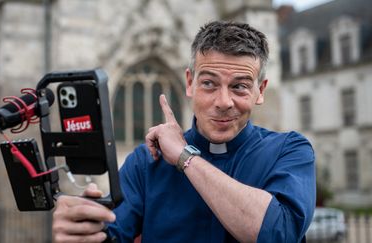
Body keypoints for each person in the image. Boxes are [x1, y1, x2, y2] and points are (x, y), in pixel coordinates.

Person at [52, 21, 316, 243]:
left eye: (240, 86)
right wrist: (81, 228)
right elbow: (110, 235)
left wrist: (184, 157)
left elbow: (279, 232)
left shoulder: (290, 150)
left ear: (261, 90)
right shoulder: (146, 163)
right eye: (209, 83)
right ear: (190, 83)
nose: (223, 102)